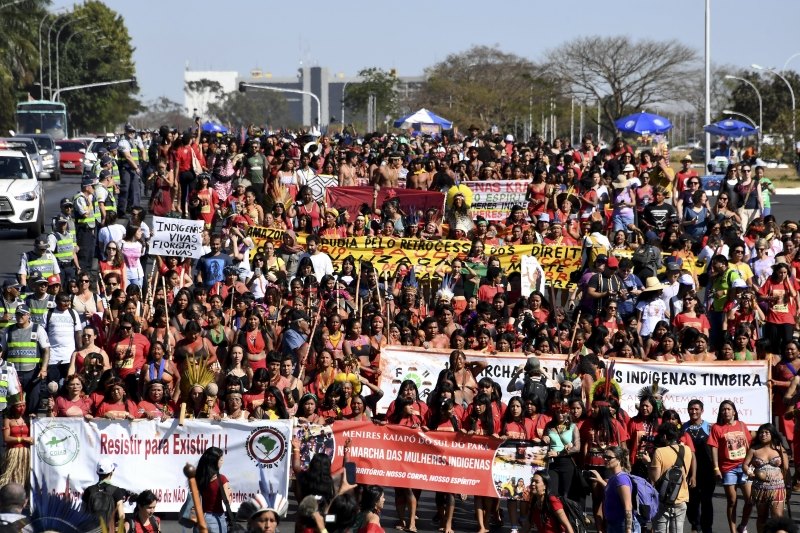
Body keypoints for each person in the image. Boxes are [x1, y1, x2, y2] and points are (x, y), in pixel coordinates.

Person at [708, 400, 753, 533]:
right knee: (732, 501)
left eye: (728, 409)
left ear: (734, 411)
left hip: (744, 466)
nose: (726, 411)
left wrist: (752, 463)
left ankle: (742, 525)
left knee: (750, 500)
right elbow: (714, 448)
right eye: (723, 409)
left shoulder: (741, 425)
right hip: (728, 469)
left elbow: (749, 444)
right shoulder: (716, 428)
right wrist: (716, 468)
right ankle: (733, 530)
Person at [4, 304, 51, 415]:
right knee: (14, 406)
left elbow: (46, 350)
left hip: (33, 373)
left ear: (28, 315)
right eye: (18, 314)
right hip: (13, 374)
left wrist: (44, 368)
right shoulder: (8, 330)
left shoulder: (37, 329)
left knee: (33, 405)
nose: (20, 317)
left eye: (23, 314)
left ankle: (31, 429)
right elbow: (2, 351)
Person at [742, 424, 789, 533]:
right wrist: (750, 472)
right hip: (760, 489)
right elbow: (745, 465)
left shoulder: (780, 449)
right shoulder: (754, 449)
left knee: (777, 517)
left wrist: (786, 483)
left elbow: (786, 467)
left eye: (767, 432)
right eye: (761, 433)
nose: (763, 435)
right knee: (762, 517)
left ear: (772, 434)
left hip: (777, 488)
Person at [648, 421, 693, 533]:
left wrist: (648, 463)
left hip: (663, 500)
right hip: (681, 498)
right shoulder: (686, 449)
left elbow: (655, 478)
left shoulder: (659, 451)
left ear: (664, 436)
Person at [589, 445, 639, 533]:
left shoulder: (621, 479)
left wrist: (628, 529)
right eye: (604, 457)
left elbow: (628, 506)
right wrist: (600, 480)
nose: (605, 460)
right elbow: (611, 490)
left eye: (609, 458)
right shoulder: (614, 477)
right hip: (613, 525)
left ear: (619, 460)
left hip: (621, 526)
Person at [683, 399, 715, 533]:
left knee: (706, 500)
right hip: (689, 470)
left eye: (696, 409)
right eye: (691, 409)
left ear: (702, 410)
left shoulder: (710, 427)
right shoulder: (683, 428)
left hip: (707, 469)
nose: (694, 411)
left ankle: (707, 528)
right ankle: (695, 525)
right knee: (691, 501)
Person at [82, 458, 128, 529]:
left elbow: (82, 513)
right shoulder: (116, 491)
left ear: (97, 473)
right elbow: (121, 516)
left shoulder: (89, 490)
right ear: (111, 472)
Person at [195, 446, 232, 533]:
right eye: (221, 460)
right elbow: (227, 501)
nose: (222, 462)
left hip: (200, 518)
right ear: (215, 462)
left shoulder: (198, 477)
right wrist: (230, 493)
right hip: (216, 519)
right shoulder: (222, 479)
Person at [73, 174, 98, 273]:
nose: (94, 188)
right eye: (92, 186)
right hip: (82, 231)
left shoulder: (89, 198)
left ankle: (88, 276)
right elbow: (85, 214)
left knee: (90, 255)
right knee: (84, 255)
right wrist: (90, 203)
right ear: (87, 187)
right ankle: (82, 275)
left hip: (89, 230)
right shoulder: (80, 199)